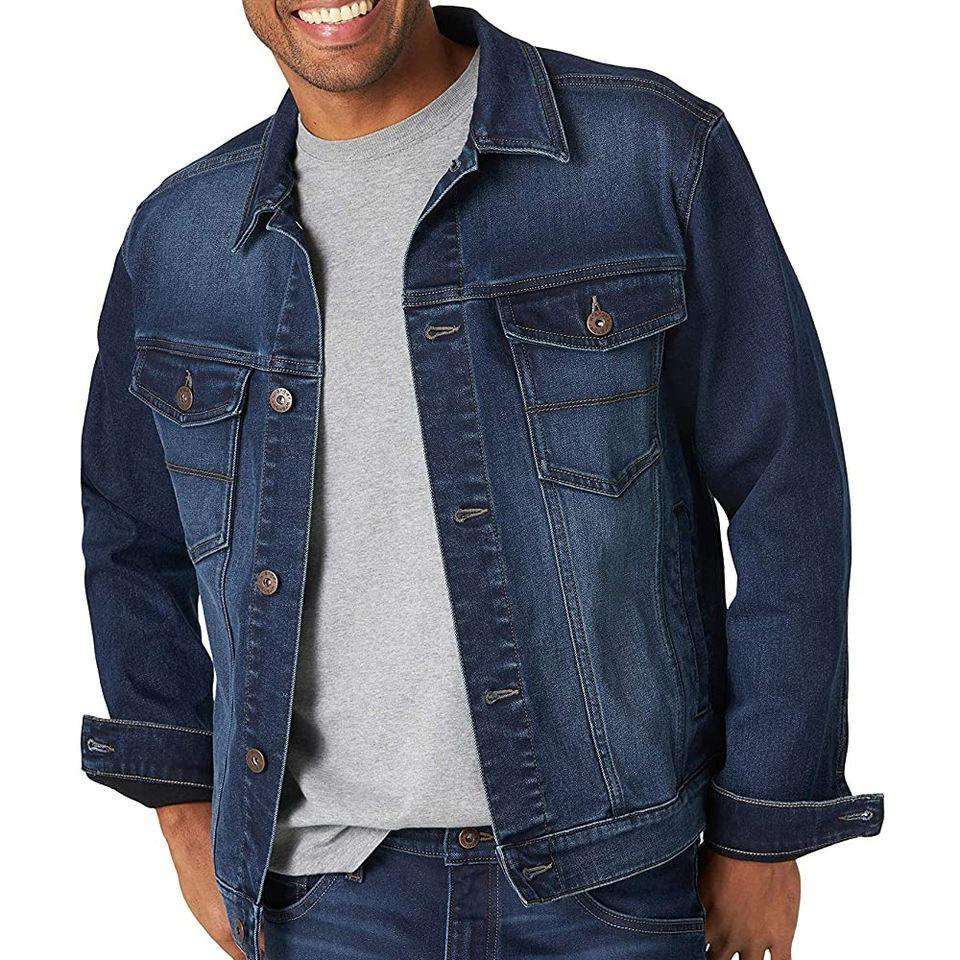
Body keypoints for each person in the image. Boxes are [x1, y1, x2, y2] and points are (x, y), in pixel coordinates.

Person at [79, 3, 883, 958]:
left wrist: (765, 830)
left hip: (620, 885)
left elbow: (788, 492)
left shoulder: (647, 155)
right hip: (322, 901)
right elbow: (131, 537)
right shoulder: (180, 239)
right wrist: (182, 812)